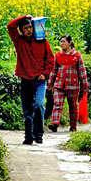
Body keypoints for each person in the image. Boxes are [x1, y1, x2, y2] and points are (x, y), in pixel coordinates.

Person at [7, 15, 54, 144]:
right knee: (27, 109)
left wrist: (45, 73)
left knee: (39, 104)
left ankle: (39, 134)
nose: (28, 30)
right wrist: (25, 17)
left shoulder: (42, 41)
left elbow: (51, 59)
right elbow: (10, 26)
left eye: (30, 27)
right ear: (21, 30)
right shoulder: (19, 41)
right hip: (25, 79)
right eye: (25, 28)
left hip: (39, 80)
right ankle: (29, 137)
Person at [48, 35, 88, 132]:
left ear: (70, 43)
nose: (62, 44)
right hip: (59, 85)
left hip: (73, 86)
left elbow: (82, 72)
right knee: (57, 104)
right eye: (61, 42)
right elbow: (54, 71)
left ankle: (73, 126)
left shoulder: (77, 56)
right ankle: (55, 124)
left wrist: (84, 86)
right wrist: (50, 84)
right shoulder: (57, 56)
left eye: (64, 42)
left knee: (73, 106)